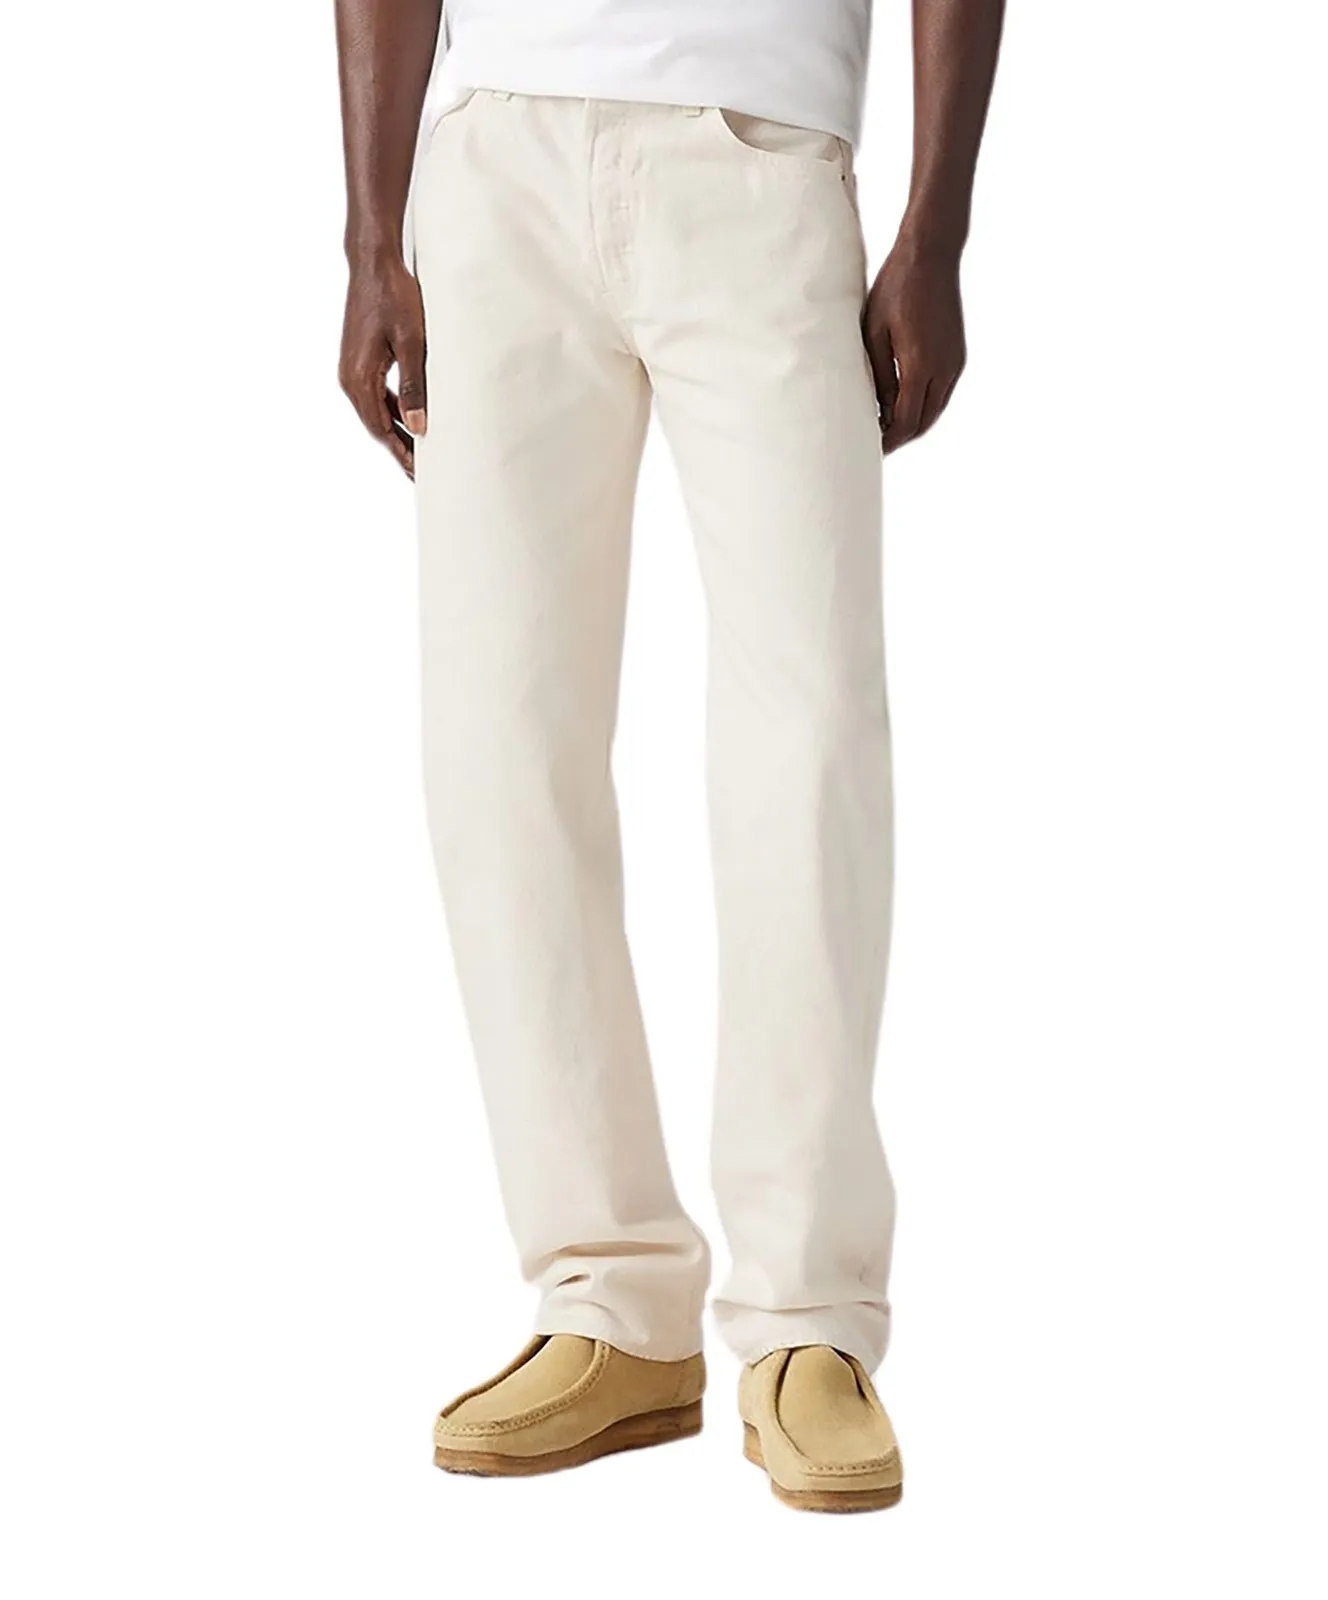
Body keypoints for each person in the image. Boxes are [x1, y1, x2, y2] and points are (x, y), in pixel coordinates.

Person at [335, 0, 1003, 1513]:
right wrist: (373, 231)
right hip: (494, 160)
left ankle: (807, 1316)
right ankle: (609, 1297)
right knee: (497, 742)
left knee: (808, 740)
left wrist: (937, 229)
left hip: (758, 150)